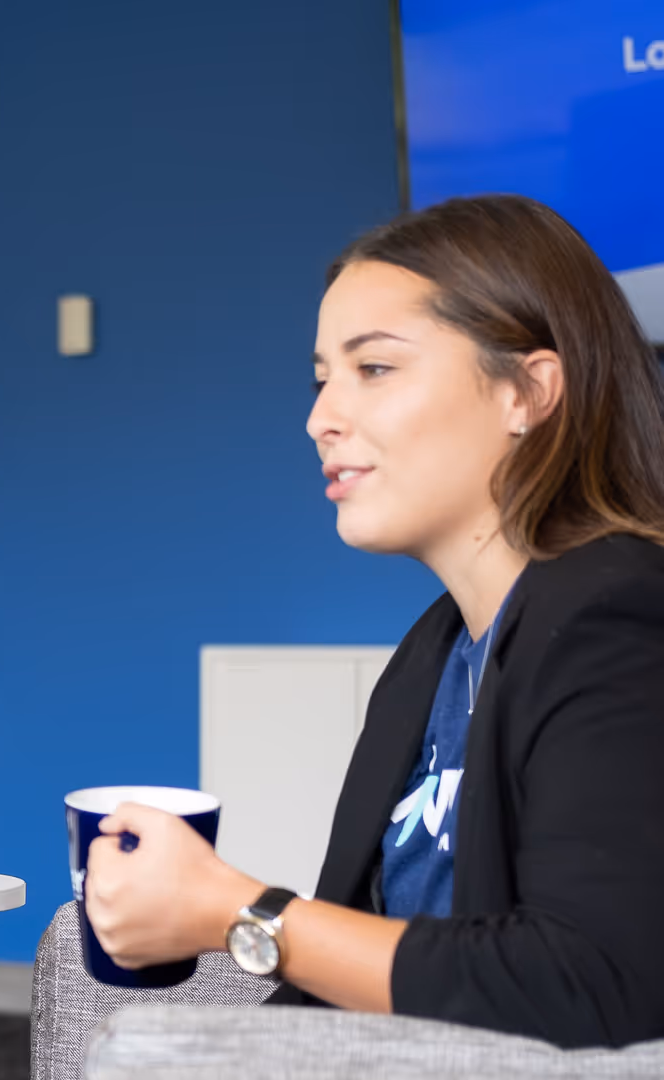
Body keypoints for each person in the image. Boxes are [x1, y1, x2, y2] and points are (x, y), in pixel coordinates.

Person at [82, 194, 664, 1049]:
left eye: (375, 369)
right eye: (322, 379)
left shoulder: (618, 618)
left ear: (529, 391)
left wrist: (239, 910)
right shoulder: (431, 658)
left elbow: (597, 982)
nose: (320, 419)